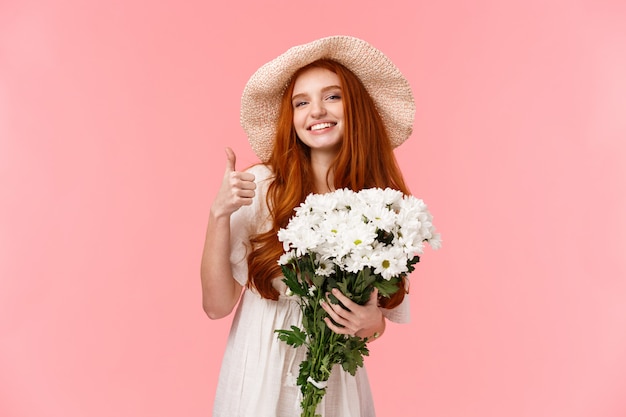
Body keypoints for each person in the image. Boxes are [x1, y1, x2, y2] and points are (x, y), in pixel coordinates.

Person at [201, 35, 416, 417]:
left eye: (332, 97)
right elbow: (216, 306)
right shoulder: (263, 187)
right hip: (258, 376)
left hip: (335, 379)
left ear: (356, 109)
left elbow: (381, 313)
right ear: (292, 118)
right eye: (302, 102)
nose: (316, 111)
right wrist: (219, 215)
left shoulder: (381, 205)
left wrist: (372, 323)